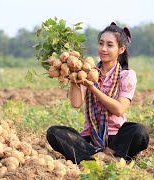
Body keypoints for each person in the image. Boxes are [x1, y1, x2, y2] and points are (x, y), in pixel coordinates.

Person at [46, 22, 149, 164]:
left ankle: (99, 155)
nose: (103, 49)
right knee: (54, 133)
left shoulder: (127, 75)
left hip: (117, 139)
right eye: (101, 44)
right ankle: (107, 158)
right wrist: (73, 74)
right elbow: (76, 103)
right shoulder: (87, 71)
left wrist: (93, 88)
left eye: (110, 45)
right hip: (90, 137)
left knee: (140, 131)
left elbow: (119, 109)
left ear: (121, 49)